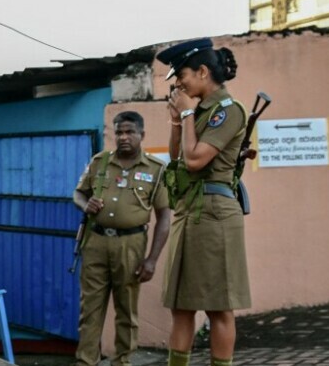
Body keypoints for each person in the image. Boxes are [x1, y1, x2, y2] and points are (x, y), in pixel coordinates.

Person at [156, 38, 249, 366]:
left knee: (219, 307)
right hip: (189, 212)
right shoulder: (198, 112)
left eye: (181, 74)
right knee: (180, 306)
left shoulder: (228, 111)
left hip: (214, 215)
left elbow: (195, 161)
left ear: (203, 71)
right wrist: (177, 121)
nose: (178, 82)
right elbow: (176, 156)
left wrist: (185, 115)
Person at [73, 111, 171, 366]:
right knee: (90, 310)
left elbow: (164, 217)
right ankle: (86, 362)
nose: (124, 137)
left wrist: (151, 259)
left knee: (126, 311)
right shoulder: (100, 162)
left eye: (130, 132)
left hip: (131, 246)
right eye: (119, 132)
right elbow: (78, 194)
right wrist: (86, 205)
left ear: (142, 135)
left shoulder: (156, 169)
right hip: (95, 243)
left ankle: (122, 361)